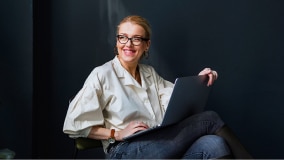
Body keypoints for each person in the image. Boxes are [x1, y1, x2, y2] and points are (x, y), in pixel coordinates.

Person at [63, 15, 252, 159]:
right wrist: (117, 133)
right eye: (123, 37)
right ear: (117, 41)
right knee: (210, 119)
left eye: (136, 39)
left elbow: (179, 102)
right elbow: (74, 125)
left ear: (146, 45)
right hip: (125, 152)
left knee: (215, 144)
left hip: (160, 146)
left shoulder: (149, 73)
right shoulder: (102, 74)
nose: (128, 44)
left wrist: (201, 79)